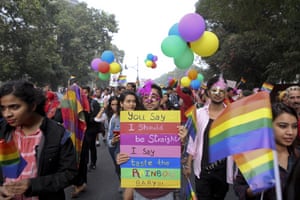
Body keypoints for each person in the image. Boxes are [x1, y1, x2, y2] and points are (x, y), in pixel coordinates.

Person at [0, 80, 77, 200]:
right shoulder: (3, 130)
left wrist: (33, 185)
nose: (7, 114)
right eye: (3, 108)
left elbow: (69, 173)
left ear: (32, 106)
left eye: (14, 107)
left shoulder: (57, 134)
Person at [117, 82, 188, 200]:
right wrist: (120, 157)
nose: (149, 100)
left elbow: (177, 153)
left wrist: (183, 141)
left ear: (160, 100)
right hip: (140, 189)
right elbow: (128, 152)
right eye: (145, 97)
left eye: (154, 97)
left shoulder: (171, 122)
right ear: (142, 100)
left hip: (165, 190)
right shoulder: (132, 123)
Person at [183, 75, 234, 200]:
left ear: (226, 93)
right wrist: (188, 164)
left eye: (222, 91)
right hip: (203, 171)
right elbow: (192, 142)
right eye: (214, 90)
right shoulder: (198, 114)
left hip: (223, 170)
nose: (218, 94)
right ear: (208, 93)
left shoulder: (233, 115)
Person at [234, 102, 299, 200]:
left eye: (294, 126)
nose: (290, 132)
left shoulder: (297, 155)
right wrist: (253, 190)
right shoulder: (253, 157)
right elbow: (240, 188)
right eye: (283, 126)